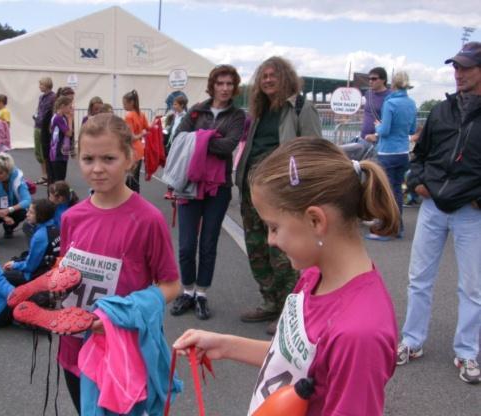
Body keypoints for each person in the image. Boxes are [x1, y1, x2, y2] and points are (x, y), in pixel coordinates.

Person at [174, 136, 400, 415]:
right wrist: (225, 345)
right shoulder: (314, 274)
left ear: (315, 220)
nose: (269, 240)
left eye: (274, 227)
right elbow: (297, 360)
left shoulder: (359, 334)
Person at [57, 113, 180, 413]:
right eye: (88, 159)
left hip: (122, 350)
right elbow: (64, 268)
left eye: (109, 158)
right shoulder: (72, 217)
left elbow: (171, 285)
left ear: (130, 159)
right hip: (75, 348)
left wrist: (121, 315)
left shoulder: (148, 219)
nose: (97, 169)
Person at [397, 42, 481, 384]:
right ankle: (412, 341)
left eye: (466, 67)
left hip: (470, 212)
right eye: (456, 67)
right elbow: (419, 155)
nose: (458, 73)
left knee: (473, 288)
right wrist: (417, 182)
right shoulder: (441, 111)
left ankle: (467, 352)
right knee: (419, 279)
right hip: (432, 205)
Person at [235, 56, 322, 334]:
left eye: (273, 75)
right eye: (264, 76)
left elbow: (313, 151)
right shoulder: (258, 111)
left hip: (281, 191)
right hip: (252, 189)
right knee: (257, 247)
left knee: (282, 250)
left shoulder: (299, 108)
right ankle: (270, 301)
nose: (268, 80)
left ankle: (289, 309)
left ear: (285, 78)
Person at [169, 64, 245, 320]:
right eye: (220, 83)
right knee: (187, 245)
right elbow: (178, 137)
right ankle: (187, 290)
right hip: (190, 184)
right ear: (212, 85)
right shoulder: (197, 110)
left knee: (209, 244)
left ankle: (201, 293)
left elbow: (229, 145)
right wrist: (210, 137)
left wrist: (200, 138)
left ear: (234, 87)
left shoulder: (236, 115)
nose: (225, 88)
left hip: (219, 186)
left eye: (229, 84)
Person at [365, 71, 416, 240]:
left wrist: (377, 126)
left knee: (384, 191)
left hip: (387, 152)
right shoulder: (411, 103)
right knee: (397, 191)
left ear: (392, 85)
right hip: (403, 152)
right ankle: (397, 227)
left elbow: (384, 131)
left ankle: (388, 228)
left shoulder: (390, 103)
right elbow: (411, 130)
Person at [0, 152, 32, 246]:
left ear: (9, 171)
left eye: (0, 173)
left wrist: (9, 210)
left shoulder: (18, 178)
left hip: (11, 207)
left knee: (23, 213)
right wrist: (1, 214)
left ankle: (9, 227)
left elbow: (27, 200)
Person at [3, 199, 60, 285]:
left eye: (31, 212)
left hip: (38, 275)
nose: (27, 214)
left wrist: (14, 265)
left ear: (41, 215)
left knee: (1, 276)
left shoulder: (40, 236)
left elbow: (30, 267)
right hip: (53, 269)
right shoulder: (56, 228)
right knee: (20, 257)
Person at [123, 90, 149, 193]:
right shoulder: (141, 114)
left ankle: (131, 202)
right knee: (134, 179)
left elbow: (131, 137)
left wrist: (141, 135)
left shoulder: (129, 116)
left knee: (131, 180)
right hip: (139, 150)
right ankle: (135, 201)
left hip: (132, 150)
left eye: (125, 103)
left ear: (131, 103)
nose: (124, 106)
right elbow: (148, 128)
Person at [33, 77, 56, 186]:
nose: (39, 86)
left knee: (45, 152)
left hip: (45, 128)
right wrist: (36, 116)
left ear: (47, 85)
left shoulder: (53, 97)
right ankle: (44, 175)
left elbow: (52, 113)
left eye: (41, 84)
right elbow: (39, 110)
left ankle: (49, 175)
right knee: (38, 152)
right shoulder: (41, 97)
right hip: (38, 125)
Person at [48, 96, 74, 184]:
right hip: (58, 152)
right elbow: (69, 133)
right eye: (69, 107)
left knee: (60, 178)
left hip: (61, 151)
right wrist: (70, 119)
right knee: (59, 179)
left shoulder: (61, 117)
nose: (71, 109)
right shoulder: (58, 118)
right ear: (63, 106)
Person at [362, 67, 391, 140]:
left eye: (374, 79)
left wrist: (377, 136)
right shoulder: (368, 94)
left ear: (383, 80)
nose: (370, 81)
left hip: (379, 140)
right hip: (364, 138)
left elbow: (393, 122)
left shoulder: (391, 97)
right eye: (369, 79)